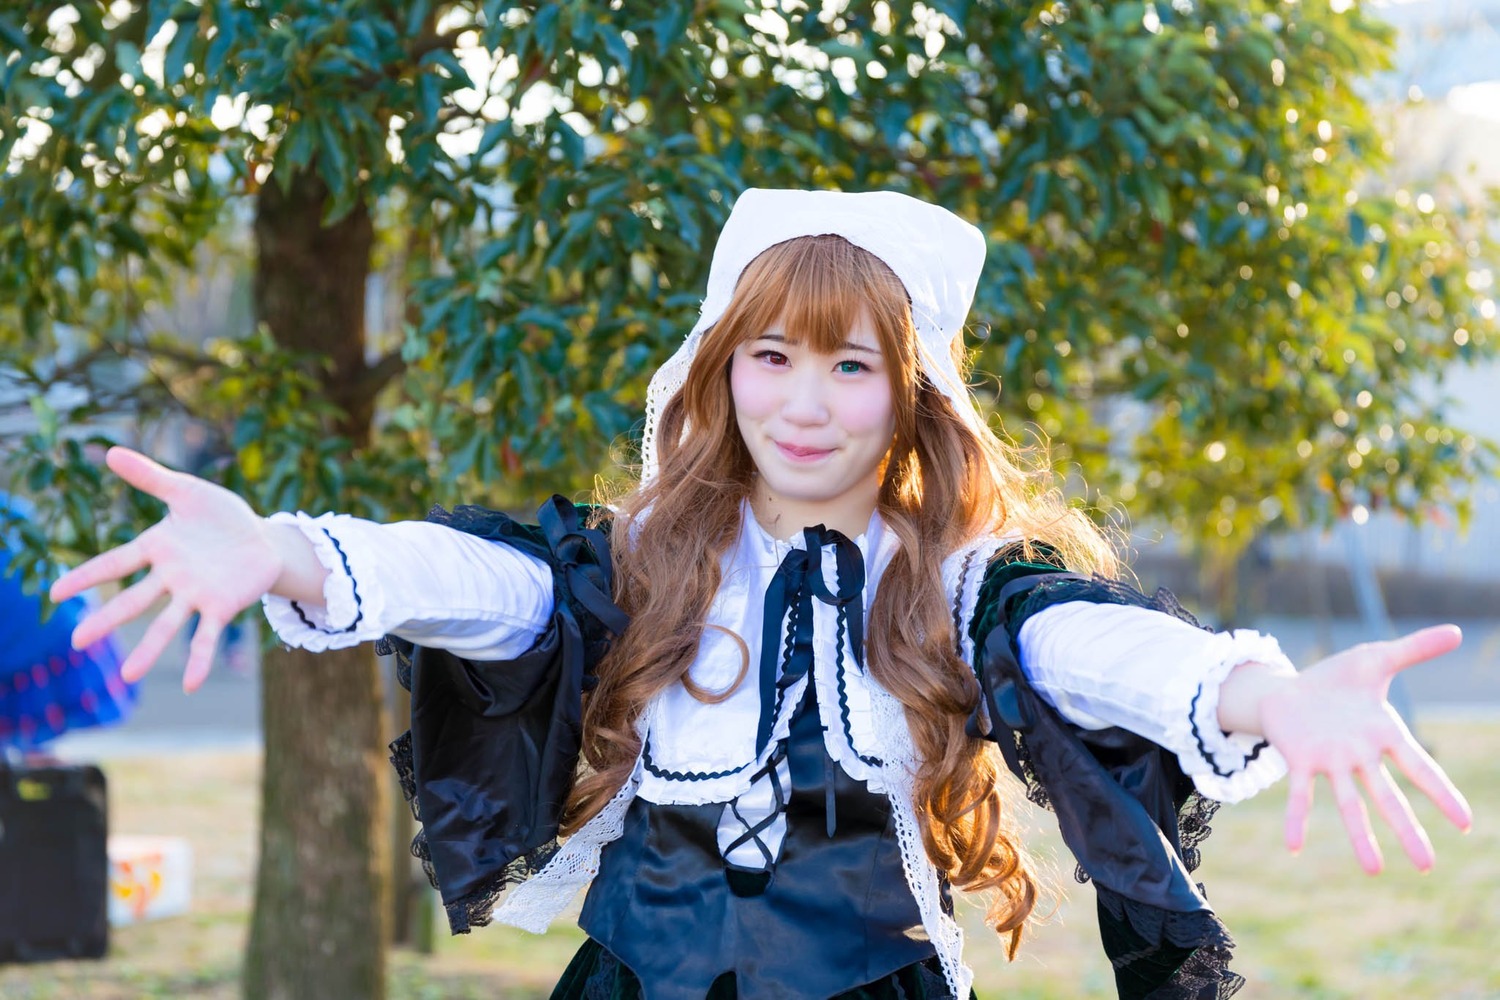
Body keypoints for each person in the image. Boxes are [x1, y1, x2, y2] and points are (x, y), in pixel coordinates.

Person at [50, 189, 1471, 999]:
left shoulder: (963, 585)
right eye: (772, 357)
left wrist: (1264, 691)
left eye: (852, 364)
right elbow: (475, 584)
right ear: (722, 369)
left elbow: (1097, 652)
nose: (807, 401)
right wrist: (291, 550)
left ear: (911, 393)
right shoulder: (641, 558)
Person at [0, 493, 136, 757]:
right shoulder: (11, 509)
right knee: (29, 735)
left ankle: (31, 767)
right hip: (56, 617)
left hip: (39, 624)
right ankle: (32, 762)